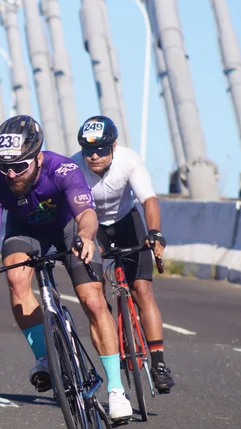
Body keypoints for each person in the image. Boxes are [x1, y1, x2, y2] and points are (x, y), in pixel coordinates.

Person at [0, 115, 133, 422]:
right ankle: (44, 358)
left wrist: (86, 238)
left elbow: (86, 213)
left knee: (92, 298)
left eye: (20, 166)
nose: (11, 174)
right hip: (26, 233)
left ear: (38, 157)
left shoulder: (62, 169)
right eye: (5, 166)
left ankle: (116, 389)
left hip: (69, 229)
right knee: (16, 277)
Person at [70, 115, 175, 394]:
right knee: (96, 293)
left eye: (101, 150)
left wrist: (154, 233)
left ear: (113, 147)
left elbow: (148, 199)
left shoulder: (128, 160)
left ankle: (159, 363)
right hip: (92, 229)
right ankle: (113, 362)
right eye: (87, 150)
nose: (93, 156)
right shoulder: (74, 167)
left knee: (142, 290)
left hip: (127, 222)